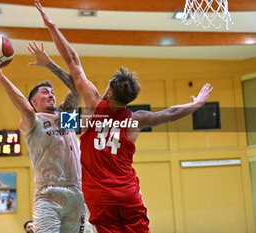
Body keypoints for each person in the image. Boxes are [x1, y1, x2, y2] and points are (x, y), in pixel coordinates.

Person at [34, 1, 213, 232]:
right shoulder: (135, 120)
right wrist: (197, 102)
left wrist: (51, 25)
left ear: (109, 92)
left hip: (99, 196)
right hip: (127, 192)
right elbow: (170, 114)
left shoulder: (94, 105)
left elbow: (73, 60)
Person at [0, 41, 85, 233]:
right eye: (46, 92)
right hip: (49, 194)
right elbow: (25, 108)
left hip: (77, 192)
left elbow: (79, 87)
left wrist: (49, 64)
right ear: (34, 101)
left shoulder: (66, 117)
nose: (52, 95)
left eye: (53, 93)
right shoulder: (33, 121)